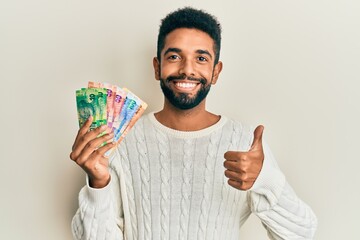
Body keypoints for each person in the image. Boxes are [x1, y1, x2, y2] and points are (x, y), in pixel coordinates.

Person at [70, 7, 317, 240]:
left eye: (201, 58)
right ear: (157, 67)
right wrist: (98, 184)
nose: (187, 69)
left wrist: (265, 179)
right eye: (175, 56)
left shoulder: (243, 143)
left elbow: (302, 234)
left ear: (216, 72)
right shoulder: (120, 140)